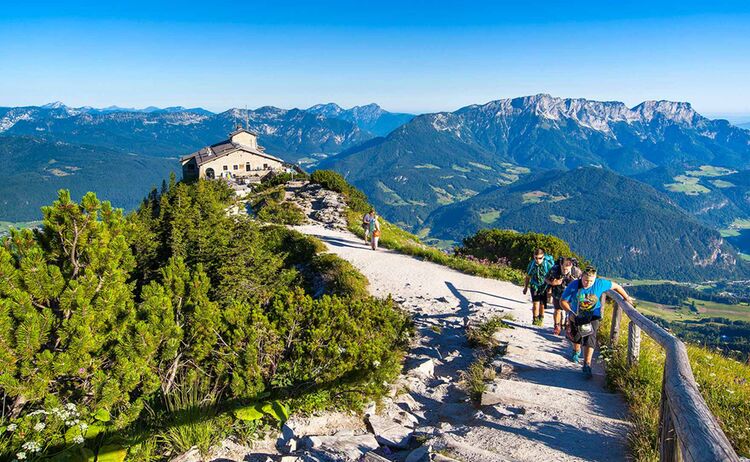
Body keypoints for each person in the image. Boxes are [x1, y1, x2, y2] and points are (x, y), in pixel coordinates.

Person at [560, 266, 632, 379]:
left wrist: (626, 297)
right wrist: (570, 312)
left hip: (593, 316)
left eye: (590, 281)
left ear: (595, 279)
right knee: (577, 337)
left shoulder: (600, 283)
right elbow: (563, 301)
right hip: (576, 314)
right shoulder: (574, 285)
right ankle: (576, 350)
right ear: (581, 277)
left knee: (590, 337)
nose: (587, 283)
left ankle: (587, 364)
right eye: (585, 280)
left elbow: (617, 286)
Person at [546, 257, 582, 335]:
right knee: (557, 309)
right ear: (560, 265)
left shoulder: (576, 272)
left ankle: (568, 326)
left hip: (571, 294)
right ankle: (557, 326)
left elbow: (583, 285)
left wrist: (576, 284)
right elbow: (546, 278)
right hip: (557, 292)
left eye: (567, 269)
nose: (565, 271)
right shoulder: (555, 269)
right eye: (564, 269)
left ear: (571, 266)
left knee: (569, 311)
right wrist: (552, 283)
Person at [523, 248, 554, 326]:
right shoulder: (532, 264)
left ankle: (541, 319)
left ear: (543, 257)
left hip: (544, 286)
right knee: (536, 303)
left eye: (540, 258)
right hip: (534, 285)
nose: (538, 260)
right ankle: (535, 320)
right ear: (534, 257)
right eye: (536, 258)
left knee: (542, 304)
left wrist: (550, 289)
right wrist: (526, 287)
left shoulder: (548, 265)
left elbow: (552, 277)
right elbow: (528, 276)